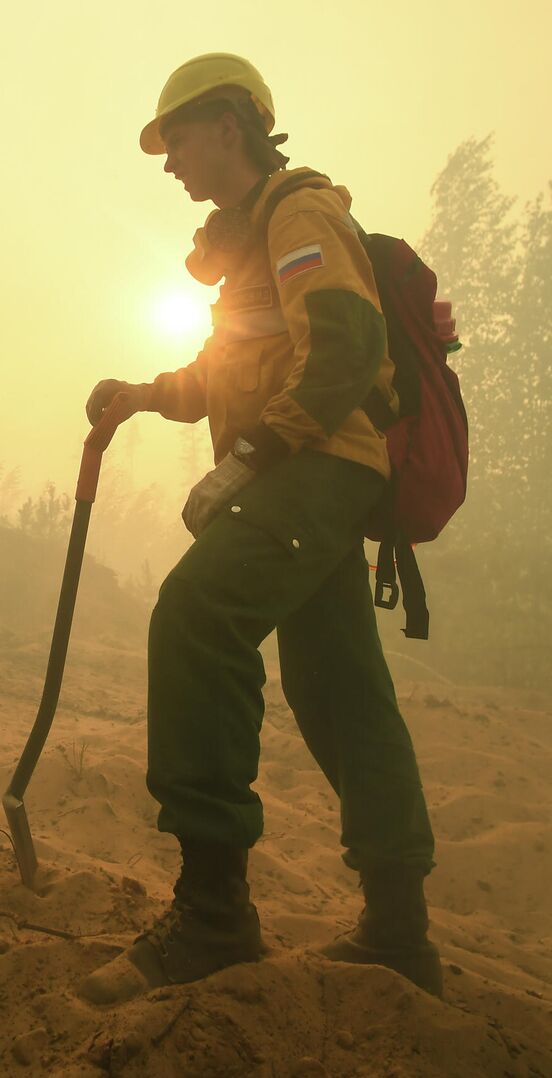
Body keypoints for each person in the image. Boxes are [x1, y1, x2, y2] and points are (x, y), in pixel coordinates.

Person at [74, 53, 442, 1005]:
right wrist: (141, 396)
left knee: (197, 612)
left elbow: (350, 349)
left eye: (177, 139)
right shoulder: (247, 251)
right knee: (339, 686)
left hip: (320, 466)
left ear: (229, 127)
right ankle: (401, 937)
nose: (168, 163)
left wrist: (251, 461)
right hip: (306, 474)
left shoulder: (301, 216)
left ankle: (213, 919)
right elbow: (219, 376)